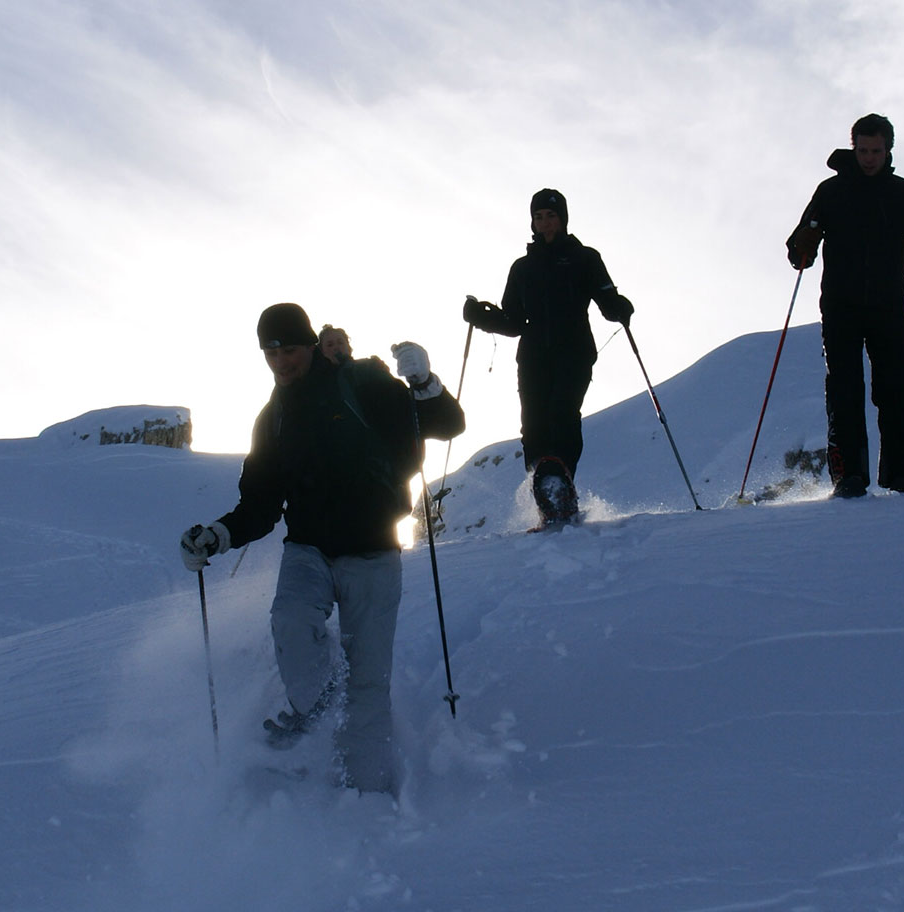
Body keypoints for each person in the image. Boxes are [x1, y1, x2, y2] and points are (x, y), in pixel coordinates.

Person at [178, 303, 464, 794]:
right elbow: (261, 503)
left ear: (309, 345)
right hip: (308, 549)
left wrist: (424, 383)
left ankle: (367, 795)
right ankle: (318, 702)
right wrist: (219, 536)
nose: (279, 361)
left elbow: (446, 425)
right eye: (269, 352)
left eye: (287, 349)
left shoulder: (366, 386)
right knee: (290, 622)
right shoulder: (273, 419)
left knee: (369, 685)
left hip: (374, 552)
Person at [783, 113, 904, 498]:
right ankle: (849, 477)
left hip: (889, 306)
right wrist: (803, 245)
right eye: (863, 150)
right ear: (854, 148)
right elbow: (798, 246)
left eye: (876, 151)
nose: (869, 158)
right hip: (840, 306)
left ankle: (902, 478)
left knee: (897, 390)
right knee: (844, 389)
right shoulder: (831, 192)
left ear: (888, 151)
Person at [463, 188, 635, 528]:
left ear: (563, 218)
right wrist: (480, 317)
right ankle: (547, 496)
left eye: (551, 215)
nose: (545, 222)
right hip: (532, 356)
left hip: (574, 349)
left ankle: (560, 482)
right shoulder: (522, 268)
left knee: (562, 412)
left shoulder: (585, 258)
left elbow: (607, 300)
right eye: (539, 217)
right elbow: (513, 322)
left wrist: (619, 308)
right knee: (533, 427)